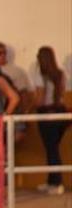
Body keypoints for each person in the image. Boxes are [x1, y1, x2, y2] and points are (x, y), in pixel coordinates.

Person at [32, 46, 69, 195]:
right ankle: (51, 181)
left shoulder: (40, 75)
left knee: (51, 149)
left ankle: (57, 183)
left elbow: (40, 100)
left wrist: (29, 107)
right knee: (53, 149)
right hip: (61, 113)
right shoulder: (61, 74)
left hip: (47, 114)